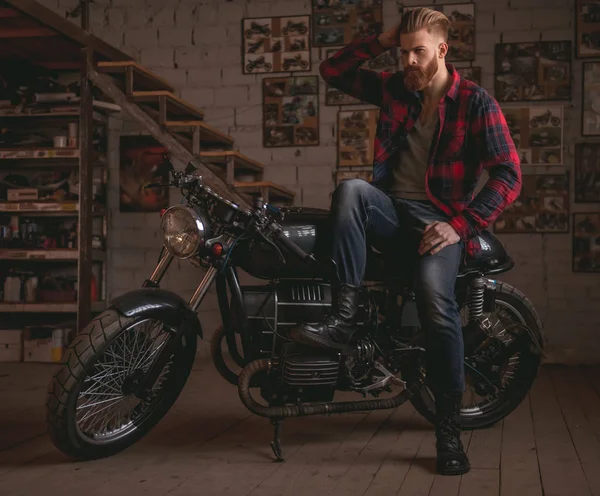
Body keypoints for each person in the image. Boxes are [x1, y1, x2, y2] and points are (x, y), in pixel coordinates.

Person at [288, 7, 521, 476]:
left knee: (437, 304)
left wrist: (460, 224)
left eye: (419, 51)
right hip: (392, 211)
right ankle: (345, 318)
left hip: (442, 221)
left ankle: (448, 431)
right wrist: (382, 40)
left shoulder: (476, 102)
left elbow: (508, 174)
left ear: (442, 49)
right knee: (352, 189)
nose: (410, 61)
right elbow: (332, 70)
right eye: (404, 52)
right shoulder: (397, 88)